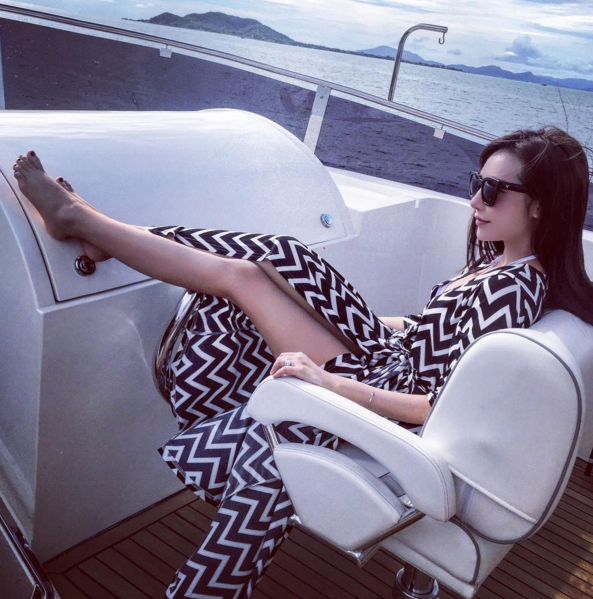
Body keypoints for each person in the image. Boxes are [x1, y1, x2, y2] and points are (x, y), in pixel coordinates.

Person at [12, 125, 593, 598]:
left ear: (540, 207)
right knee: (282, 259)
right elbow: (429, 332)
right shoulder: (499, 264)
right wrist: (336, 312)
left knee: (242, 278)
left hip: (382, 385)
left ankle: (86, 224)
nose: (474, 201)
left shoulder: (512, 288)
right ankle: (96, 227)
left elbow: (436, 405)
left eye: (492, 191)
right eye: (475, 183)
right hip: (386, 351)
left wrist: (327, 383)